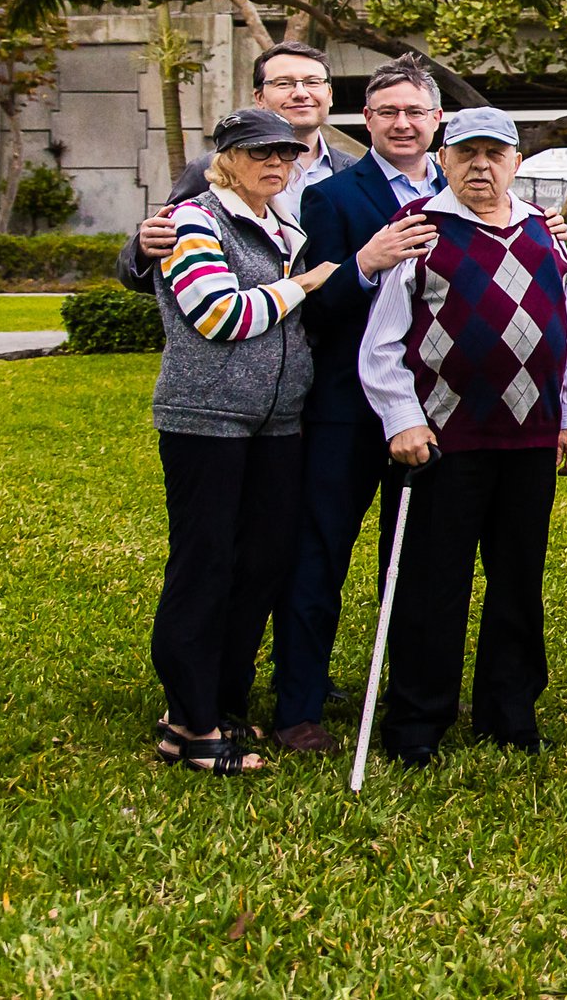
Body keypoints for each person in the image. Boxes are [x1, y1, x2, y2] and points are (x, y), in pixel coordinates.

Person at [354, 108, 567, 765]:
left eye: (495, 153)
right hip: (444, 438)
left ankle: (508, 710)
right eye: (467, 154)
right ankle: (417, 721)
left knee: (518, 578)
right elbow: (381, 345)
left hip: (531, 437)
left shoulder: (546, 232)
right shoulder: (421, 233)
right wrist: (401, 417)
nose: (481, 166)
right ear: (445, 159)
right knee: (434, 582)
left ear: (516, 161)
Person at [144, 107, 341, 773]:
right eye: (260, 153)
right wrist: (302, 285)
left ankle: (212, 707)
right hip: (206, 417)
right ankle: (192, 727)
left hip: (277, 420)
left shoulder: (282, 224)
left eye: (285, 155)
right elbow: (219, 313)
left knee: (260, 564)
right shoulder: (194, 219)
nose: (276, 164)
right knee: (204, 566)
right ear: (227, 157)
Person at [268, 57, 448, 755]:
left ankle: (410, 697)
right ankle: (299, 706)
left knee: (416, 564)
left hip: (432, 408)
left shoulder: (463, 190)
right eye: (387, 112)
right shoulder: (335, 198)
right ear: (366, 121)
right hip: (345, 407)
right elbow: (311, 306)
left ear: (437, 121)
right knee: (319, 557)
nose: (402, 123)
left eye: (415, 112)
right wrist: (365, 262)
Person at [119, 40, 358, 289]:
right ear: (259, 97)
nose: (300, 92)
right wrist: (143, 249)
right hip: (245, 319)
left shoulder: (354, 171)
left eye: (312, 82)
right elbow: (165, 267)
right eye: (284, 83)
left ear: (329, 94)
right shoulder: (213, 169)